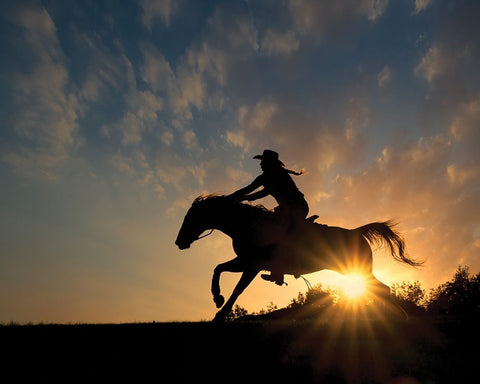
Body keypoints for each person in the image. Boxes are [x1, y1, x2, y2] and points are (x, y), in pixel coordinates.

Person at [228, 149, 309, 285]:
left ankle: (279, 272)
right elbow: (249, 190)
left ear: (269, 163)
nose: (260, 164)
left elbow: (258, 192)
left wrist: (238, 198)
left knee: (280, 232)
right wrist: (234, 198)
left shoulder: (276, 175)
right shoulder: (266, 176)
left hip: (297, 208)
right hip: (286, 209)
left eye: (263, 162)